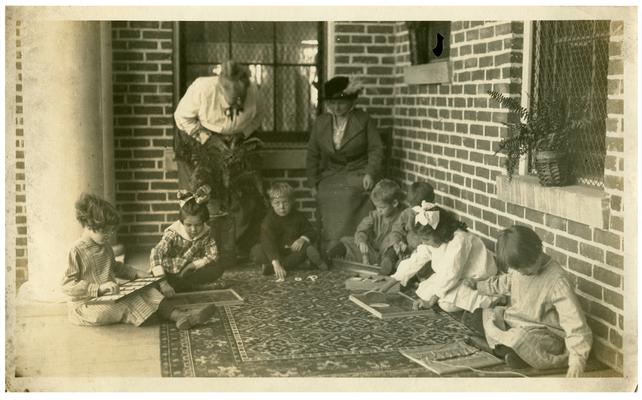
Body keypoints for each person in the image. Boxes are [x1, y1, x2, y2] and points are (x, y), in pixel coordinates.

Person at [63, 193, 215, 330]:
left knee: (146, 290)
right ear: (89, 225)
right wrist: (99, 288)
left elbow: (114, 266)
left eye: (111, 231)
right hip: (86, 306)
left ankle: (178, 315)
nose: (109, 235)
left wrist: (135, 273)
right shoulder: (76, 250)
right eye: (105, 231)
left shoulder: (105, 246)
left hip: (108, 297)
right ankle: (174, 317)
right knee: (129, 302)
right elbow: (67, 285)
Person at [462, 225, 593, 377]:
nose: (522, 273)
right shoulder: (519, 269)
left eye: (525, 269)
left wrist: (577, 360)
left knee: (521, 339)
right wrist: (479, 285)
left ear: (537, 251)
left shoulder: (557, 281)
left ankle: (503, 348)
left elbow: (574, 323)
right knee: (484, 311)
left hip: (542, 333)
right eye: (517, 270)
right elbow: (504, 282)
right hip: (514, 322)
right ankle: (509, 350)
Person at [174, 60, 265, 257]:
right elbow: (181, 117)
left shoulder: (255, 92)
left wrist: (241, 135)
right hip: (195, 138)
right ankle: (196, 248)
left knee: (241, 192)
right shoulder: (202, 88)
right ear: (220, 88)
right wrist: (209, 139)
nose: (236, 104)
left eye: (240, 99)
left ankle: (232, 246)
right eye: (231, 99)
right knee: (200, 192)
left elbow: (257, 118)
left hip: (236, 140)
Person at [306, 76, 384, 251]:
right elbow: (312, 154)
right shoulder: (321, 122)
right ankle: (331, 244)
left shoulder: (363, 120)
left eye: (341, 102)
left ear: (352, 101)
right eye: (332, 103)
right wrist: (312, 182)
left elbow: (376, 149)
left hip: (358, 170)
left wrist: (370, 173)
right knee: (326, 192)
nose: (336, 107)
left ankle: (354, 244)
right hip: (332, 173)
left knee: (353, 193)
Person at [390, 203, 498, 313]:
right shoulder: (434, 241)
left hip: (475, 278)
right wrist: (392, 280)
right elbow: (417, 259)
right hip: (455, 276)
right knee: (426, 292)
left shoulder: (459, 240)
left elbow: (451, 273)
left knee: (445, 304)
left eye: (426, 239)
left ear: (440, 232)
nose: (424, 242)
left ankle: (491, 299)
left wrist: (431, 302)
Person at [149, 185, 225, 296]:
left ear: (203, 222)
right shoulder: (173, 233)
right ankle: (190, 287)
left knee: (218, 267)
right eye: (188, 225)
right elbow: (156, 254)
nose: (193, 229)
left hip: (190, 271)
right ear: (182, 222)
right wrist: (163, 282)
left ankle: (187, 286)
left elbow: (213, 255)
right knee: (156, 279)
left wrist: (192, 266)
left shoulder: (206, 232)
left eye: (198, 225)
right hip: (171, 270)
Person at [250, 182, 328, 281]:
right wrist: (275, 262)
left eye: (285, 202)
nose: (282, 207)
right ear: (272, 204)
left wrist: (302, 239)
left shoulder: (298, 216)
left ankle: (270, 268)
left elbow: (311, 232)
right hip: (275, 252)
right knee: (256, 251)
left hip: (292, 251)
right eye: (277, 203)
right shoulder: (269, 220)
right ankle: (298, 265)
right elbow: (267, 242)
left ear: (291, 202)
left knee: (307, 248)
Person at [325, 179, 404, 269]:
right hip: (371, 252)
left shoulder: (402, 217)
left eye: (382, 207)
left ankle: (386, 266)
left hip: (387, 253)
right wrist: (361, 241)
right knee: (347, 241)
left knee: (394, 247)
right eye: (376, 207)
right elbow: (361, 230)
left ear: (394, 203)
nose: (379, 210)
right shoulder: (375, 215)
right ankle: (327, 257)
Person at [379, 181, 435, 275]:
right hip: (404, 247)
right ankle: (389, 262)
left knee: (418, 264)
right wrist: (397, 243)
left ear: (429, 204)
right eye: (412, 208)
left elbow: (429, 242)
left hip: (419, 251)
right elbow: (397, 229)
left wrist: (412, 250)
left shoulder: (432, 217)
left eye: (418, 209)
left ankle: (404, 271)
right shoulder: (407, 213)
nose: (415, 212)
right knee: (391, 249)